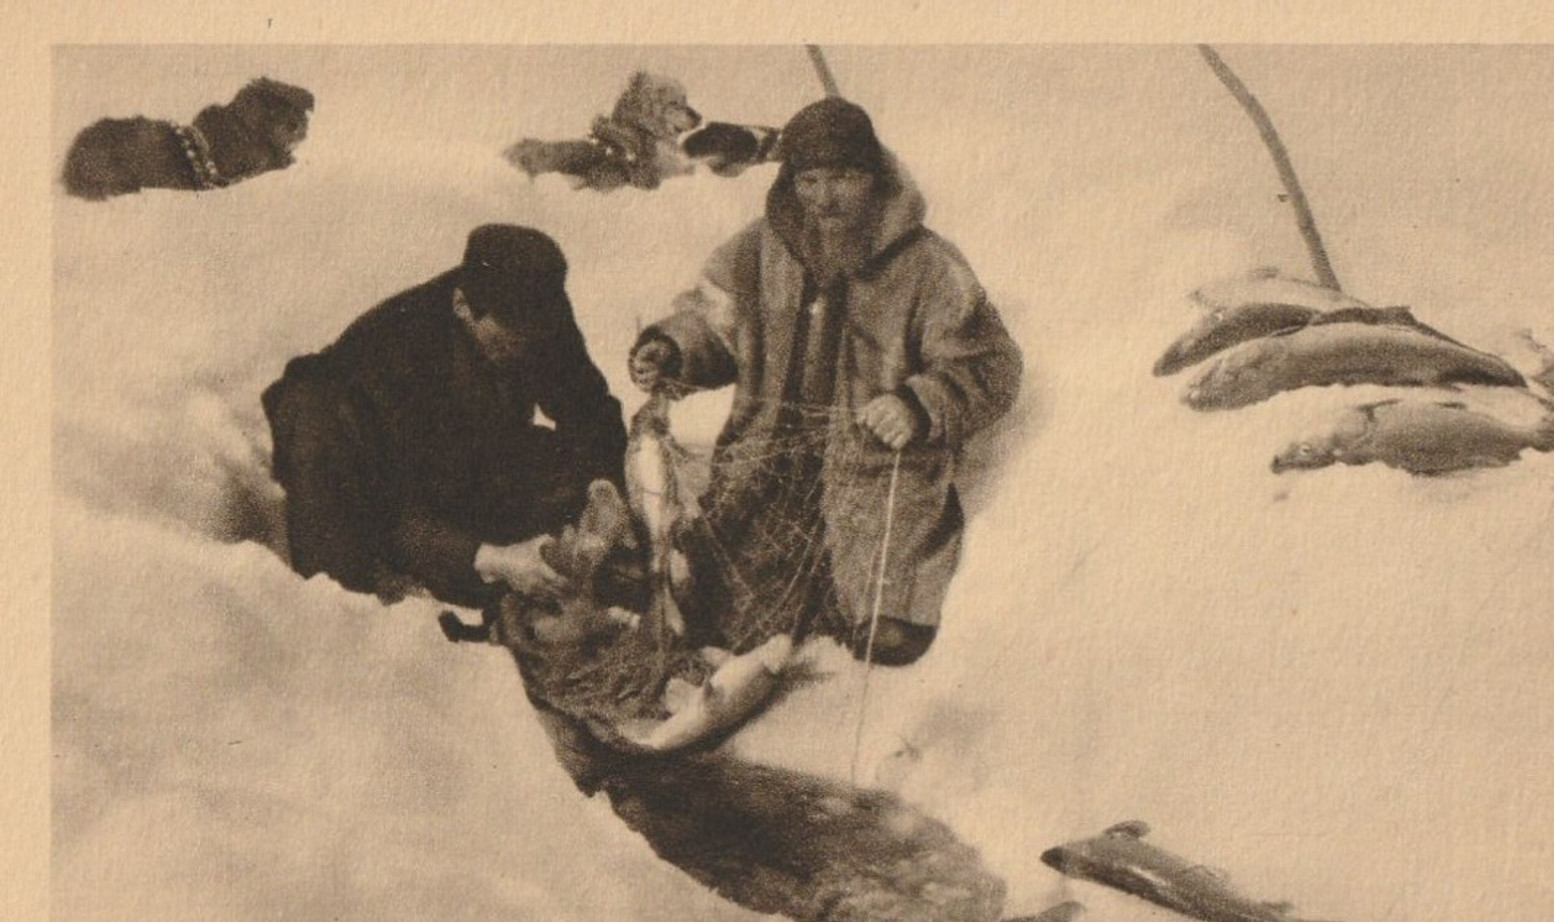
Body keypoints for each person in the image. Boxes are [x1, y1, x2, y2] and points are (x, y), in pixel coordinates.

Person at [629, 97, 1022, 666]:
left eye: (842, 177)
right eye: (810, 179)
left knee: (883, 622)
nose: (825, 196)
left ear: (874, 177)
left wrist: (917, 403)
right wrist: (671, 349)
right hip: (770, 455)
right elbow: (714, 321)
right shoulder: (762, 247)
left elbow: (991, 365)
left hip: (872, 467)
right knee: (718, 600)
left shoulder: (931, 266)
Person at [263, 224, 629, 610]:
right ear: (462, 307)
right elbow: (390, 514)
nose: (524, 353)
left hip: (471, 461)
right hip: (371, 488)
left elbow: (588, 407)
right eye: (507, 342)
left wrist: (604, 488)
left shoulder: (536, 312)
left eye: (532, 341)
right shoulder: (392, 356)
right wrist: (494, 559)